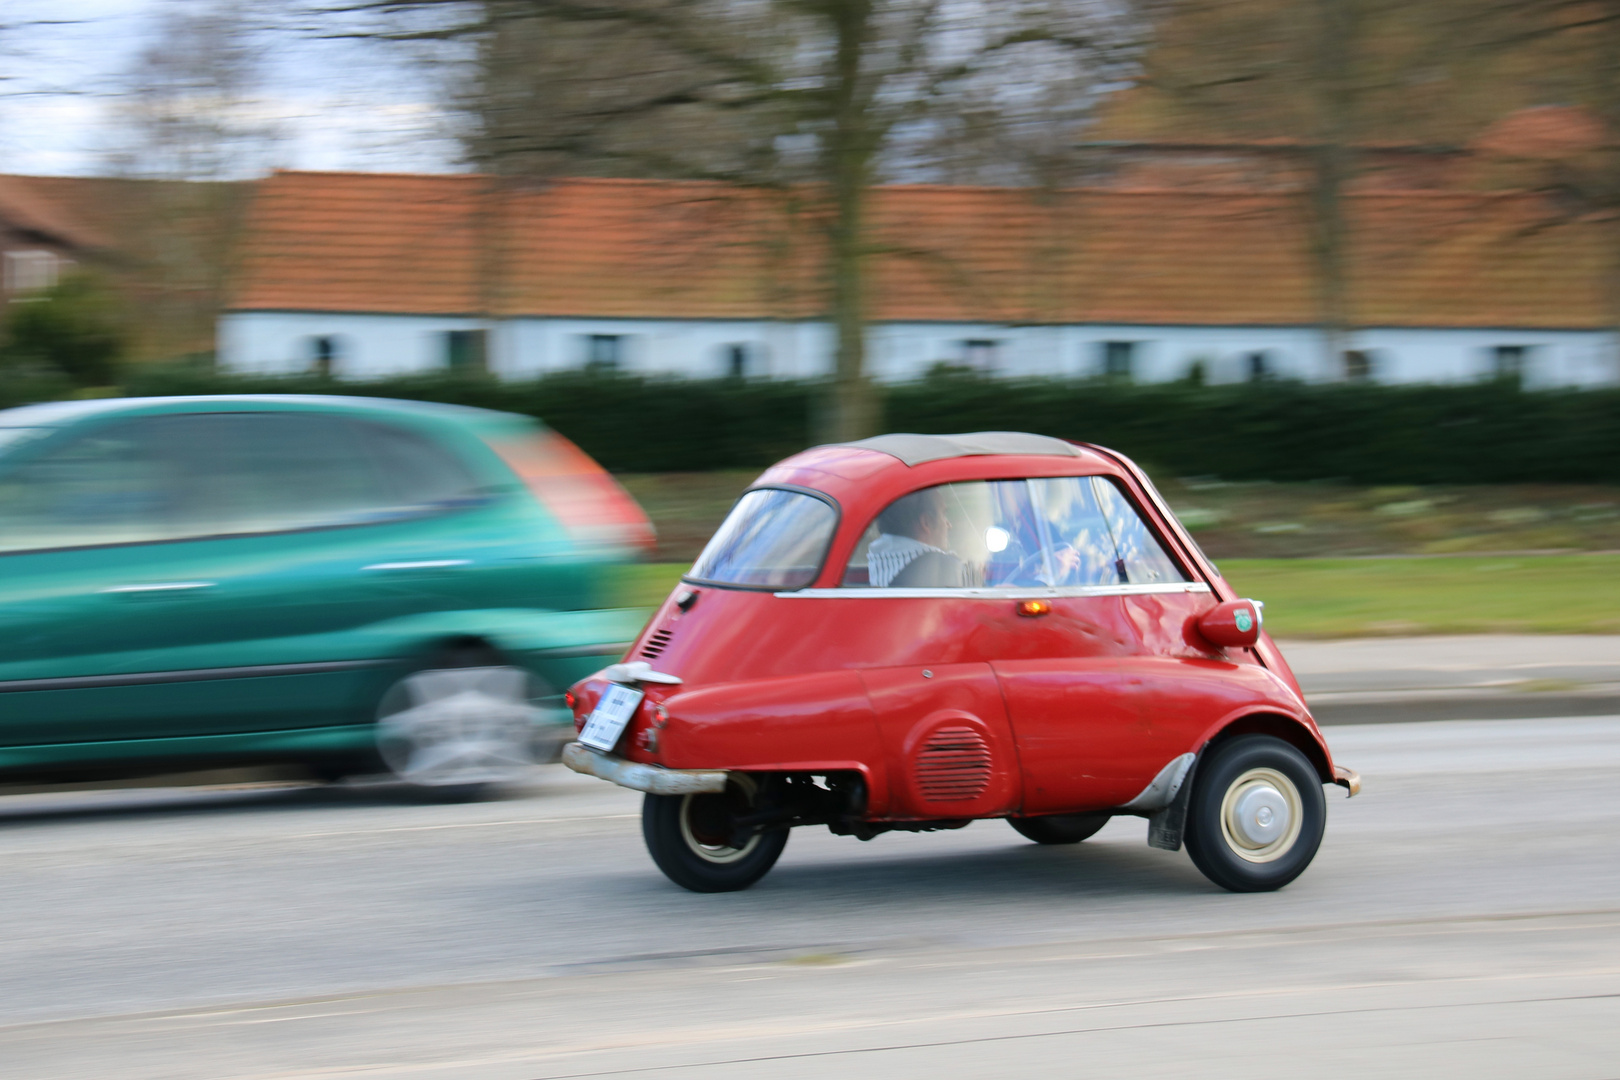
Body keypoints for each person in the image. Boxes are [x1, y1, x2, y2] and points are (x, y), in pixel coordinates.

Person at [866, 486, 972, 588]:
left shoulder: (877, 562)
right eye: (943, 514)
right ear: (926, 523)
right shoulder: (947, 568)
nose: (949, 525)